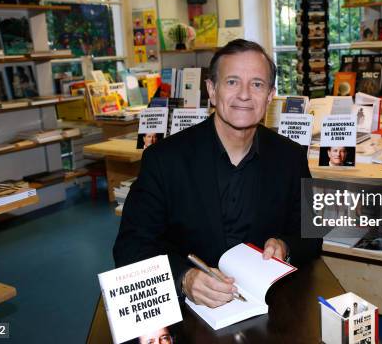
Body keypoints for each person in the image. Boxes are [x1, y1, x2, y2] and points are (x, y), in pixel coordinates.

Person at [114, 39, 320, 309]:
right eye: (232, 82)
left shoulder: (290, 156)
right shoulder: (164, 159)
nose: (244, 95)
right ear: (212, 90)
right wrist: (184, 278)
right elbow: (130, 247)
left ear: (270, 96)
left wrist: (285, 245)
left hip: (267, 306)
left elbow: (312, 235)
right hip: (190, 312)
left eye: (257, 84)